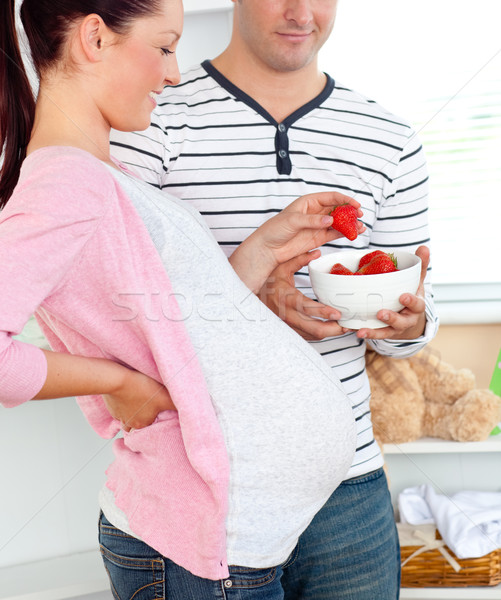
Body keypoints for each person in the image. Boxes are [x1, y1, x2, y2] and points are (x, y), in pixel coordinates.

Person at [0, 1, 369, 598]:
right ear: (95, 37)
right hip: (196, 552)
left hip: (230, 546)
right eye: (166, 47)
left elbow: (187, 321)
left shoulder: (106, 176)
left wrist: (265, 247)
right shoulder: (66, 181)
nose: (174, 73)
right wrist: (121, 384)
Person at [109, 0, 441, 598]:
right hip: (212, 484)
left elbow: (414, 307)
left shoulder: (388, 137)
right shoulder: (148, 117)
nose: (301, 12)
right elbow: (117, 310)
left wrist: (405, 322)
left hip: (349, 486)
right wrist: (248, 300)